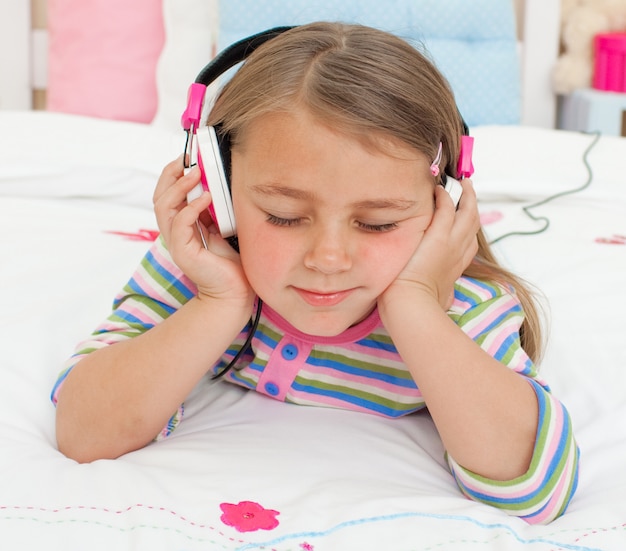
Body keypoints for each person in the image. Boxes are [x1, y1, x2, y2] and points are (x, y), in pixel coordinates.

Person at [51, 22, 578, 524]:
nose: (328, 259)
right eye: (283, 216)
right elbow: (84, 433)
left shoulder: (459, 310)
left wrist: (415, 306)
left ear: (448, 207)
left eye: (377, 223)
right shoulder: (201, 271)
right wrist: (221, 303)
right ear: (220, 189)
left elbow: (537, 490)